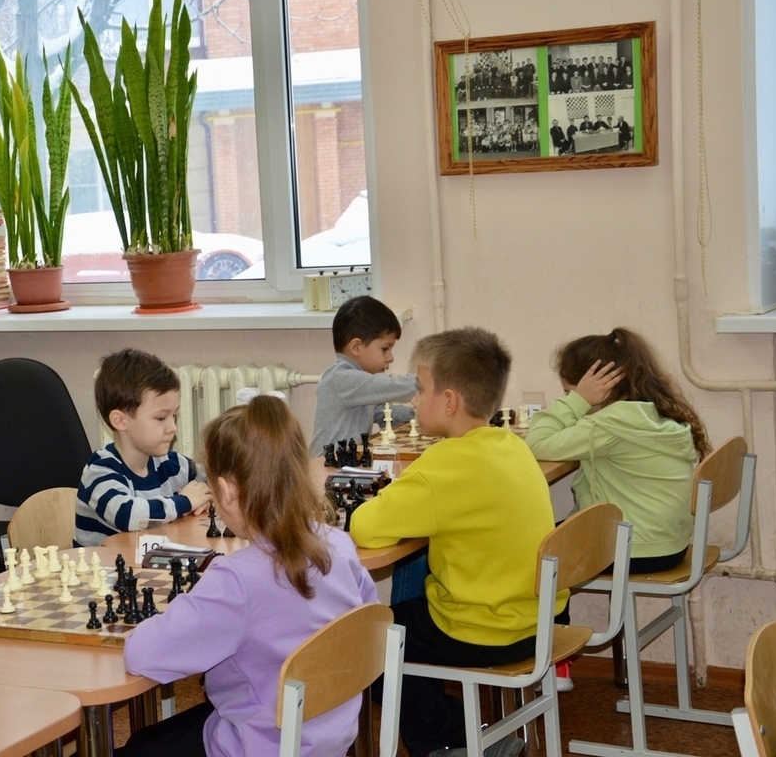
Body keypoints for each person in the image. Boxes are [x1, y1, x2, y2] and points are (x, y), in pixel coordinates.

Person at [117, 396, 377, 757]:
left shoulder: (236, 580)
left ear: (226, 491)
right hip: (329, 734)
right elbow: (370, 622)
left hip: (259, 745)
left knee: (137, 748)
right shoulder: (339, 544)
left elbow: (142, 655)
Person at [349, 328, 562, 757]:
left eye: (419, 389)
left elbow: (365, 527)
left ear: (448, 401)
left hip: (482, 629)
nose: (413, 400)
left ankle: (454, 741)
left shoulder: (445, 464)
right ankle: (472, 733)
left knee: (364, 642)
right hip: (538, 619)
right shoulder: (513, 445)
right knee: (406, 622)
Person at [525, 328, 708, 574]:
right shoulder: (648, 411)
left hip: (633, 550)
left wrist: (578, 401)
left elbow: (536, 444)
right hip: (666, 544)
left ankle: (552, 603)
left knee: (529, 547)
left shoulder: (610, 425)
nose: (571, 399)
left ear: (600, 387)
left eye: (570, 393)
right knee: (546, 536)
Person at [74, 348, 212, 546]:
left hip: (148, 563)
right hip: (104, 565)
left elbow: (215, 478)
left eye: (174, 416)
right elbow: (128, 515)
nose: (172, 428)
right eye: (161, 418)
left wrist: (208, 495)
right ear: (120, 420)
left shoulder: (170, 464)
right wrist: (186, 501)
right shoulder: (100, 471)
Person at [310, 295, 416, 457]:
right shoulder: (340, 379)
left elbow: (385, 413)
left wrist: (419, 417)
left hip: (348, 463)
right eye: (385, 349)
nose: (390, 358)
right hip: (326, 466)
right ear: (356, 347)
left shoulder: (362, 388)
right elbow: (388, 386)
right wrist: (427, 382)